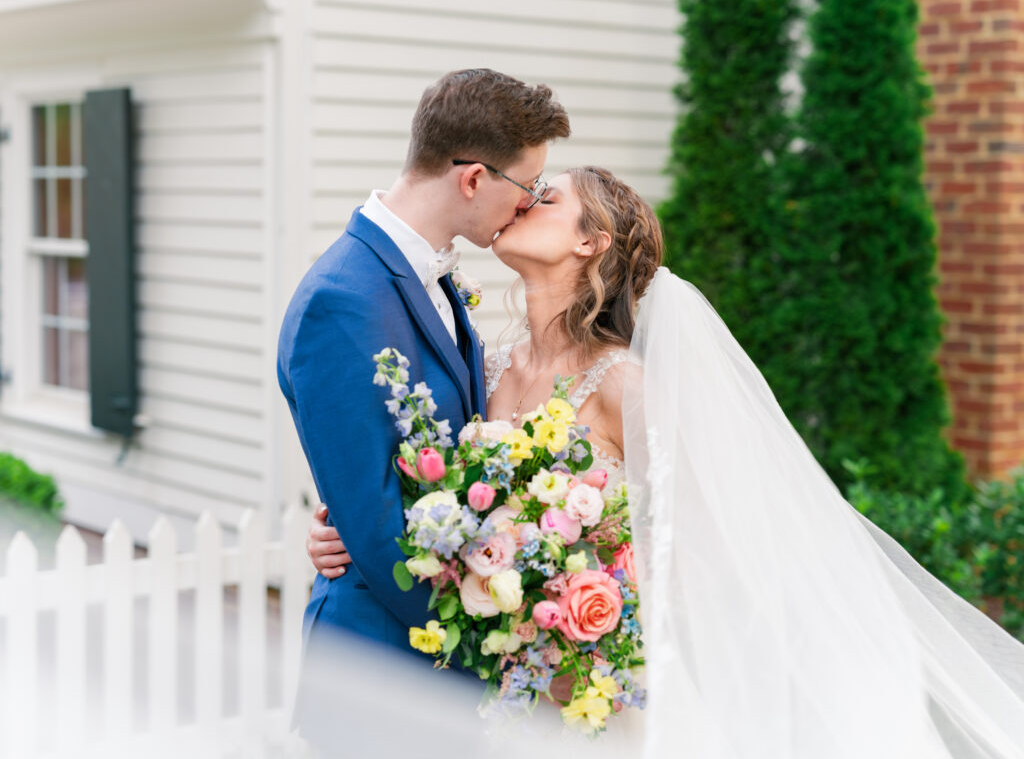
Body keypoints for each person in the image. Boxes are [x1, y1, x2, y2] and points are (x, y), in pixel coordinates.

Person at [307, 165, 1024, 756]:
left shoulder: (623, 386)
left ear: (592, 243)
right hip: (490, 679)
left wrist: (590, 632)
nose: (524, 198)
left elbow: (696, 551)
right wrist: (336, 526)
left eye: (547, 197)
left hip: (589, 689)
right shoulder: (479, 367)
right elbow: (430, 490)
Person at [277, 68, 570, 736]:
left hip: (436, 673)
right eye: (526, 188)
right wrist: (493, 639)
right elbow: (376, 526)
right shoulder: (343, 299)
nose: (526, 206)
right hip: (383, 672)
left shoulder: (423, 276)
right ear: (472, 178)